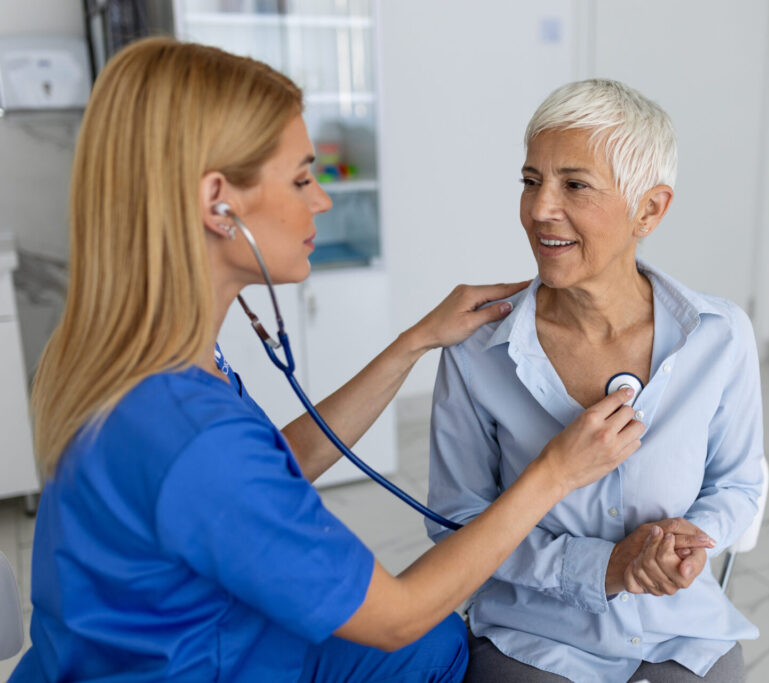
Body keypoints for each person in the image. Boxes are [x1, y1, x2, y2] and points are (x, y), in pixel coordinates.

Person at [10, 40, 652, 682]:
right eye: (300, 178)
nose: (321, 200)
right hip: (182, 666)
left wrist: (414, 342)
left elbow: (258, 473)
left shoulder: (124, 351)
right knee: (430, 644)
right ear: (217, 202)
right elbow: (397, 614)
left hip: (109, 650)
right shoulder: (189, 431)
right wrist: (555, 473)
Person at [426, 79, 765, 682]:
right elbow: (457, 520)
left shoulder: (721, 337)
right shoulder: (477, 350)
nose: (539, 209)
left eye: (574, 185)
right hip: (532, 636)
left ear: (650, 209)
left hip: (681, 632)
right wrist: (602, 567)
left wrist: (689, 541)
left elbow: (738, 484)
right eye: (531, 181)